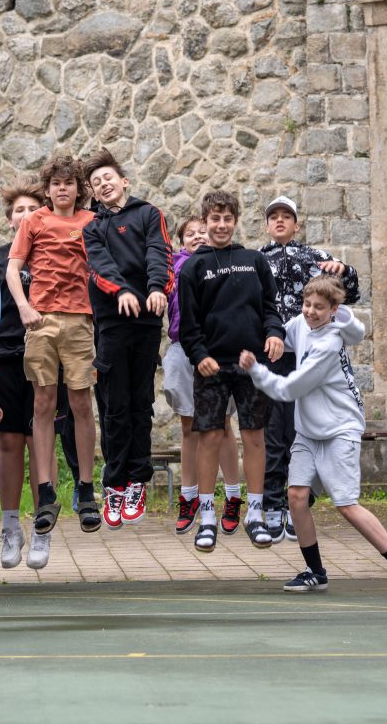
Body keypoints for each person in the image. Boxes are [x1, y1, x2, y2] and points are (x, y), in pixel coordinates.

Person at [241, 275, 387, 593]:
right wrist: (261, 335)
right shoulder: (302, 323)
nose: (310, 312)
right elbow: (281, 336)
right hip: (308, 430)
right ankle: (315, 571)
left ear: (333, 311)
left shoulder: (328, 344)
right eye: (307, 304)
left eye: (319, 308)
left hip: (340, 429)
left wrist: (255, 369)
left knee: (346, 505)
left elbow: (288, 389)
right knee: (296, 497)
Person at [177, 190, 285, 552]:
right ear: (205, 222)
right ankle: (207, 516)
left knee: (254, 436)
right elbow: (188, 324)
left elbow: (270, 309)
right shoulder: (193, 267)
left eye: (227, 219)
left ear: (236, 221)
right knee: (209, 437)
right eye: (214, 219)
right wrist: (199, 355)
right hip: (212, 366)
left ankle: (255, 514)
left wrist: (274, 333)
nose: (221, 225)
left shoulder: (254, 260)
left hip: (252, 365)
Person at [7, 154, 99, 562]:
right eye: (56, 184)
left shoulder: (92, 222)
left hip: (79, 320)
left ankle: (85, 489)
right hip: (41, 320)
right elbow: (13, 269)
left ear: (79, 188)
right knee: (43, 404)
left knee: (81, 403)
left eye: (69, 183)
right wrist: (25, 307)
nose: (63, 189)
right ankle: (46, 493)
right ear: (48, 190)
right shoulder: (34, 221)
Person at [82, 147, 174, 528]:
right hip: (112, 324)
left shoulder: (148, 214)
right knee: (114, 405)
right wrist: (120, 290)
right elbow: (99, 266)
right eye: (96, 182)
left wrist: (155, 289)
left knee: (141, 403)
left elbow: (160, 253)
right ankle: (115, 483)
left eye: (108, 178)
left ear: (124, 181)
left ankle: (138, 480)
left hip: (147, 324)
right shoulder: (92, 227)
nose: (103, 185)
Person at [260, 195, 360, 543]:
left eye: (286, 216)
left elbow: (350, 292)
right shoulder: (257, 260)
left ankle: (300, 503)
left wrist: (345, 270)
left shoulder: (316, 258)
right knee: (273, 433)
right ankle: (273, 504)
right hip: (274, 352)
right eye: (274, 216)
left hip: (308, 353)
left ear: (296, 224)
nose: (280, 221)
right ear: (267, 225)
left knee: (300, 430)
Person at [163, 216, 241, 535]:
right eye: (190, 234)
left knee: (222, 425)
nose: (197, 237)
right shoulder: (173, 267)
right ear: (181, 242)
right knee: (189, 425)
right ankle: (189, 496)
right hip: (183, 347)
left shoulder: (228, 263)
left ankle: (233, 496)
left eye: (202, 232)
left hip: (218, 349)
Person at [0, 181, 45, 568]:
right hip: (2, 358)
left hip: (45, 357)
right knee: (9, 442)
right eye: (18, 210)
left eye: (32, 209)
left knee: (39, 442)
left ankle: (41, 526)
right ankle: (10, 528)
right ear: (9, 220)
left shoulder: (54, 253)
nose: (25, 215)